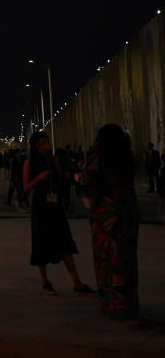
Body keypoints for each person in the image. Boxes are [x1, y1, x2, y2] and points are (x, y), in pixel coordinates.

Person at [81, 124, 140, 319]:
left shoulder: (98, 158)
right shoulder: (126, 157)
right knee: (128, 258)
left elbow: (85, 182)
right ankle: (130, 303)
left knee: (108, 261)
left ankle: (113, 304)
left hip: (107, 217)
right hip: (129, 212)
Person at [23, 131, 93, 296]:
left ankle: (77, 282)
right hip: (40, 207)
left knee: (64, 241)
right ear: (36, 146)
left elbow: (58, 184)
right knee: (41, 242)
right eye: (42, 143)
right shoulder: (29, 163)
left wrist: (68, 177)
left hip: (55, 206)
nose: (46, 146)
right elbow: (26, 187)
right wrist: (39, 178)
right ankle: (45, 281)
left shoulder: (52, 160)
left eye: (47, 142)